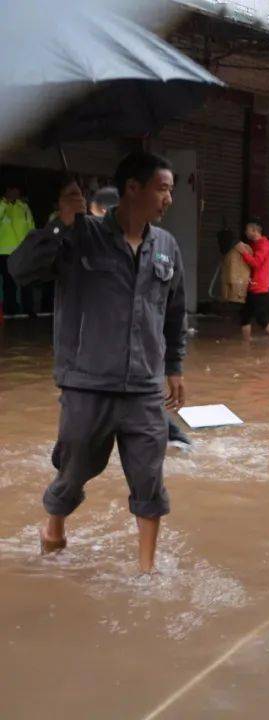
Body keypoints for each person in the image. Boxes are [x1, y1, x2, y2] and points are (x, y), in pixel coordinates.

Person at [9, 151, 186, 573]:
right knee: (74, 472)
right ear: (133, 189)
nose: (169, 199)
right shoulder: (79, 235)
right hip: (87, 384)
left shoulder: (166, 247)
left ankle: (146, 571)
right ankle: (53, 528)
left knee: (149, 479)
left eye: (171, 191)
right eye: (163, 189)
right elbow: (19, 270)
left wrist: (175, 367)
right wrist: (59, 223)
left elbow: (174, 313)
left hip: (144, 386)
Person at [84, 182, 192, 449]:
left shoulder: (159, 247)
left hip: (141, 367)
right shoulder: (84, 243)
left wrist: (174, 367)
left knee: (158, 425)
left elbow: (175, 313)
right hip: (96, 370)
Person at [236, 219, 269, 343]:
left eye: (247, 230)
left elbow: (256, 263)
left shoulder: (264, 244)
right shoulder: (253, 245)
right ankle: (246, 343)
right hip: (251, 286)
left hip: (260, 288)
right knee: (245, 315)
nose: (245, 232)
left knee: (261, 318)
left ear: (254, 230)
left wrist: (243, 253)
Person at [0, 183, 36, 317]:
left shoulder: (24, 207)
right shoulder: (2, 205)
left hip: (23, 251)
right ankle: (11, 310)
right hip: (5, 252)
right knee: (9, 284)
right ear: (7, 190)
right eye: (14, 190)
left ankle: (29, 309)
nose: (16, 193)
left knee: (27, 281)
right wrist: (4, 203)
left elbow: (31, 228)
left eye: (18, 191)